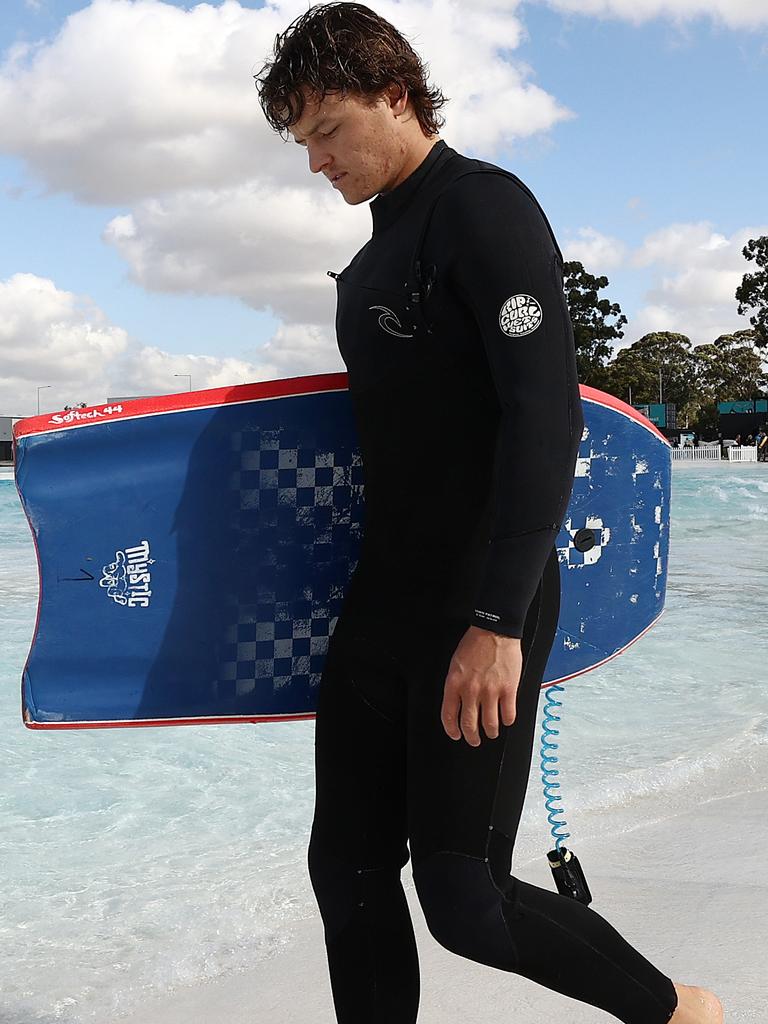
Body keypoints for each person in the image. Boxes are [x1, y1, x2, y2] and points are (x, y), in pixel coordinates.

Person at [254, 5, 723, 1023]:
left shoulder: (484, 209)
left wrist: (500, 621)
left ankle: (679, 1012)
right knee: (347, 869)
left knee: (465, 896)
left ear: (395, 91)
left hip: (481, 603)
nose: (315, 162)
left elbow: (544, 420)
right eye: (301, 143)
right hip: (383, 603)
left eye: (326, 130)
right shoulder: (374, 259)